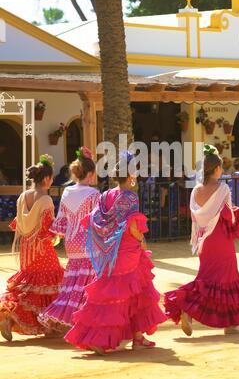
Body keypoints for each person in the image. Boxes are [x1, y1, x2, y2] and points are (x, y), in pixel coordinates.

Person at [65, 152, 167, 355]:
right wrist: (141, 242)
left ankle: (118, 337)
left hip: (108, 252)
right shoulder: (130, 196)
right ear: (130, 175)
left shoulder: (106, 195)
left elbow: (96, 220)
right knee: (137, 291)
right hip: (128, 250)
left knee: (111, 293)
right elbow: (133, 225)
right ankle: (125, 339)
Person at [164, 145, 239, 336]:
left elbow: (195, 217)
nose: (222, 170)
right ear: (215, 169)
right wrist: (238, 213)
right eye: (220, 167)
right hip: (221, 238)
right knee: (227, 277)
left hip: (204, 240)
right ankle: (231, 323)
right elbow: (229, 216)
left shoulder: (196, 190)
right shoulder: (222, 188)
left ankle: (190, 310)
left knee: (206, 279)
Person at [0, 155, 64, 341]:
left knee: (27, 286)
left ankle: (8, 315)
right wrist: (58, 235)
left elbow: (17, 224)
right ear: (46, 179)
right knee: (50, 283)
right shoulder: (46, 200)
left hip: (26, 248)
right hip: (42, 249)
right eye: (51, 178)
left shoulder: (22, 196)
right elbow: (48, 229)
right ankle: (50, 324)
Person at [39, 147, 100, 333]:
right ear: (89, 173)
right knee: (87, 284)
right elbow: (97, 221)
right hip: (88, 242)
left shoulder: (66, 192)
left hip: (71, 242)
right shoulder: (94, 194)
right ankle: (83, 320)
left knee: (72, 284)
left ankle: (62, 316)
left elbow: (62, 220)